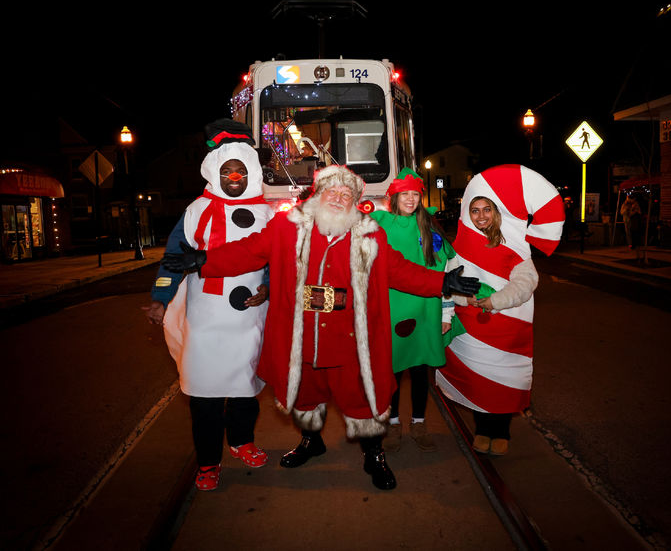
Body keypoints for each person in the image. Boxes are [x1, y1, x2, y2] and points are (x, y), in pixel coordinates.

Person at [161, 165, 480, 490]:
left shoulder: (369, 233)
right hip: (302, 335)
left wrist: (442, 281)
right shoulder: (287, 228)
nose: (339, 199)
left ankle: (374, 454)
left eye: (347, 194)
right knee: (304, 394)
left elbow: (398, 270)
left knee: (362, 398)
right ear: (317, 195)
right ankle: (312, 442)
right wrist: (205, 260)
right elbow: (249, 250)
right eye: (333, 192)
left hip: (349, 337)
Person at [146, 119, 273, 491]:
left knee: (245, 389)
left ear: (250, 172)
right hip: (204, 318)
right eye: (226, 170)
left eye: (240, 170)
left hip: (249, 317)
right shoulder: (196, 211)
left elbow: (275, 262)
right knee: (203, 395)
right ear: (216, 173)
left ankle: (241, 441)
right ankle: (208, 461)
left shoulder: (266, 213)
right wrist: (160, 299)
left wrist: (266, 287)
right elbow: (172, 258)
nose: (234, 176)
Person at [436, 164, 564, 456]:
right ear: (467, 214)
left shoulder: (513, 246)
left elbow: (526, 282)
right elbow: (448, 284)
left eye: (486, 210)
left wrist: (496, 301)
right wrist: (465, 300)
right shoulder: (458, 249)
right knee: (478, 381)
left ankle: (501, 432)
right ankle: (482, 430)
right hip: (471, 327)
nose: (481, 216)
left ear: (496, 213)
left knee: (503, 379)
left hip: (505, 327)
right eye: (475, 210)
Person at [369, 168, 455, 452]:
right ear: (393, 197)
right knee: (391, 371)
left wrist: (446, 313)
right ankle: (392, 423)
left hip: (425, 310)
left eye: (415, 194)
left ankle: (419, 421)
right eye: (404, 194)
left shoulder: (430, 230)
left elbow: (447, 272)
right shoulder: (379, 225)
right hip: (390, 309)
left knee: (420, 372)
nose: (410, 199)